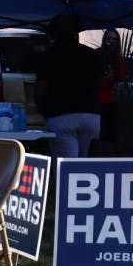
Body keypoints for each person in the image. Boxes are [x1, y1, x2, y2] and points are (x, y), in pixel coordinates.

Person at [35, 14, 103, 158]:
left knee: (66, 168)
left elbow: (41, 88)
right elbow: (101, 84)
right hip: (90, 114)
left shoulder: (48, 56)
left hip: (60, 115)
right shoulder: (91, 54)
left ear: (54, 34)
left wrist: (42, 109)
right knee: (86, 166)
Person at [96, 28, 126, 143]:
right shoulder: (97, 55)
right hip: (96, 102)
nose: (111, 41)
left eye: (114, 39)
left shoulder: (119, 60)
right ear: (104, 40)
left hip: (110, 102)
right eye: (108, 38)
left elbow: (118, 80)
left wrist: (116, 83)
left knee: (110, 135)